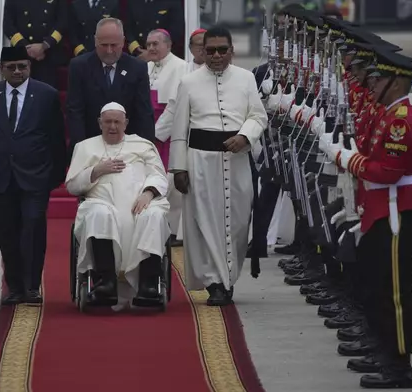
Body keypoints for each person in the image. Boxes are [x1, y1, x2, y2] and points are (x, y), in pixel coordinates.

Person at [321, 48, 412, 389]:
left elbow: (389, 172)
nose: (372, 82)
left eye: (379, 78)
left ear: (396, 84)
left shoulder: (399, 121)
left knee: (393, 293)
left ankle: (399, 366)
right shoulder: (388, 114)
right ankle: (385, 352)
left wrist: (345, 159)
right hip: (381, 210)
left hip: (395, 213)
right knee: (379, 288)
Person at [169, 26, 268, 306]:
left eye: (221, 50)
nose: (215, 56)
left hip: (236, 160)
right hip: (200, 161)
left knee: (237, 224)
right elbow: (179, 129)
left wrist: (244, 135)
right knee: (205, 223)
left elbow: (258, 117)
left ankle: (229, 278)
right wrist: (179, 168)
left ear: (231, 51)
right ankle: (215, 283)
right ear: (202, 52)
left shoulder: (247, 79)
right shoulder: (189, 82)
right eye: (209, 50)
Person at [0, 46, 67, 305]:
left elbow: (56, 138)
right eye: (12, 67)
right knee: (6, 232)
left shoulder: (46, 94)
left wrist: (53, 176)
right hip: (2, 176)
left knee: (32, 228)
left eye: (23, 66)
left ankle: (32, 286)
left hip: (35, 175)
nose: (18, 71)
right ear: (2, 69)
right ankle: (15, 286)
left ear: (30, 67)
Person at [65, 102, 170, 306]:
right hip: (101, 202)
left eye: (117, 122)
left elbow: (159, 175)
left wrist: (149, 193)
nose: (112, 127)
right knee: (98, 215)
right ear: (99, 123)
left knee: (153, 216)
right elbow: (73, 187)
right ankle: (106, 282)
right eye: (107, 122)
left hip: (141, 202)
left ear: (126, 123)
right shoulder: (85, 147)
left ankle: (148, 284)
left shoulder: (143, 145)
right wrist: (96, 171)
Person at [66, 17, 154, 151]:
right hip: (91, 145)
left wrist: (144, 149)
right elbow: (75, 111)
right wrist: (81, 149)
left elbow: (144, 113)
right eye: (104, 45)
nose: (109, 51)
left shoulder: (137, 68)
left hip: (128, 146)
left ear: (123, 42)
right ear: (96, 41)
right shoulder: (79, 67)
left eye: (114, 45)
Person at [146, 28, 187, 246]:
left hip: (166, 134)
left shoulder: (181, 67)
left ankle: (171, 231)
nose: (151, 48)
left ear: (168, 45)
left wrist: (156, 134)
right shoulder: (147, 66)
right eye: (149, 44)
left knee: (170, 183)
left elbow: (174, 106)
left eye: (156, 44)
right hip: (148, 129)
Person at [2, 0, 68, 88]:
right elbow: (8, 25)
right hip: (21, 55)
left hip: (48, 55)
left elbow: (63, 23)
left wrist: (45, 45)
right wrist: (25, 47)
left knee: (45, 96)